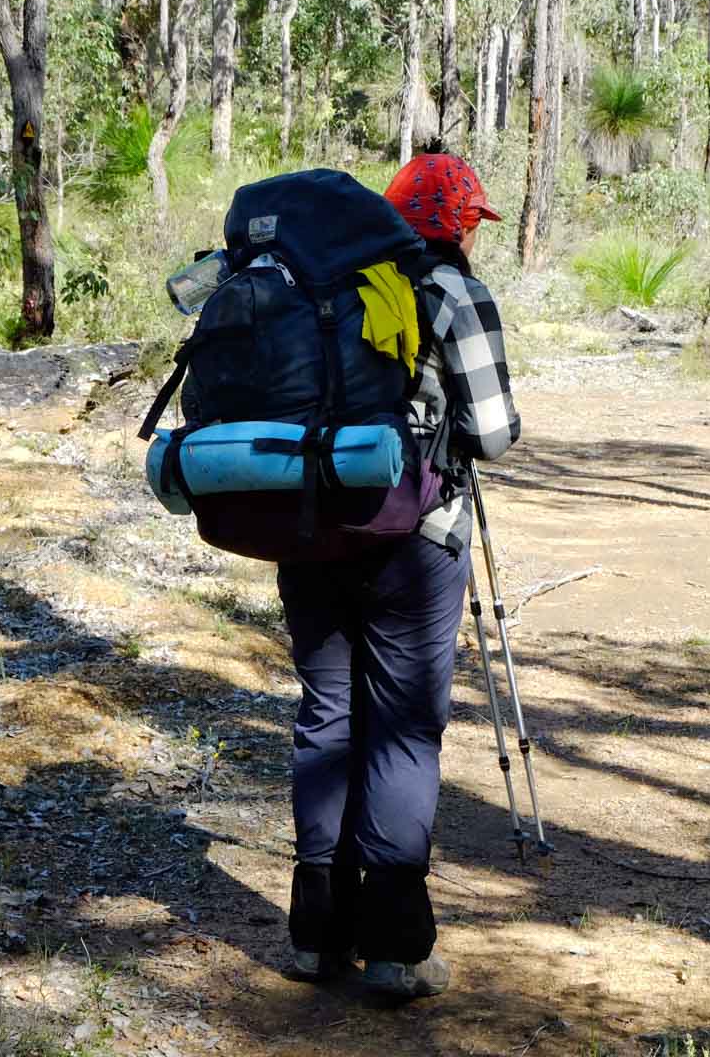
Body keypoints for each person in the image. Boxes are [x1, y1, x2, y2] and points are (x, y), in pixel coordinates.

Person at [279, 151, 521, 999]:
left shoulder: (321, 286)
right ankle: (393, 949)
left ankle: (315, 938)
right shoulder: (454, 293)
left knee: (327, 719)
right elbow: (492, 434)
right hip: (415, 540)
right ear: (459, 226)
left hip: (308, 528)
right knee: (403, 732)